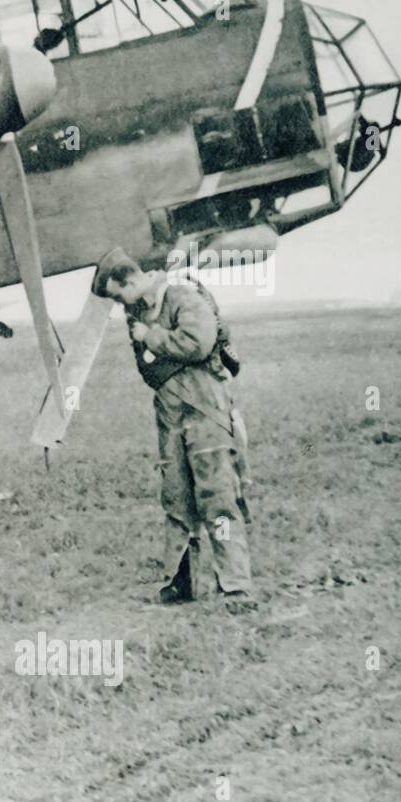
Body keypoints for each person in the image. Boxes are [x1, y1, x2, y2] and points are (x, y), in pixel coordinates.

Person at [93, 247, 254, 609]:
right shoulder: (141, 313)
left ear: (130, 279)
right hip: (171, 416)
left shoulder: (182, 295)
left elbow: (198, 344)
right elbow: (149, 370)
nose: (120, 305)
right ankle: (182, 583)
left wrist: (151, 338)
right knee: (177, 498)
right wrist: (155, 342)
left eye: (119, 295)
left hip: (205, 410)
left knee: (217, 496)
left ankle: (236, 585)